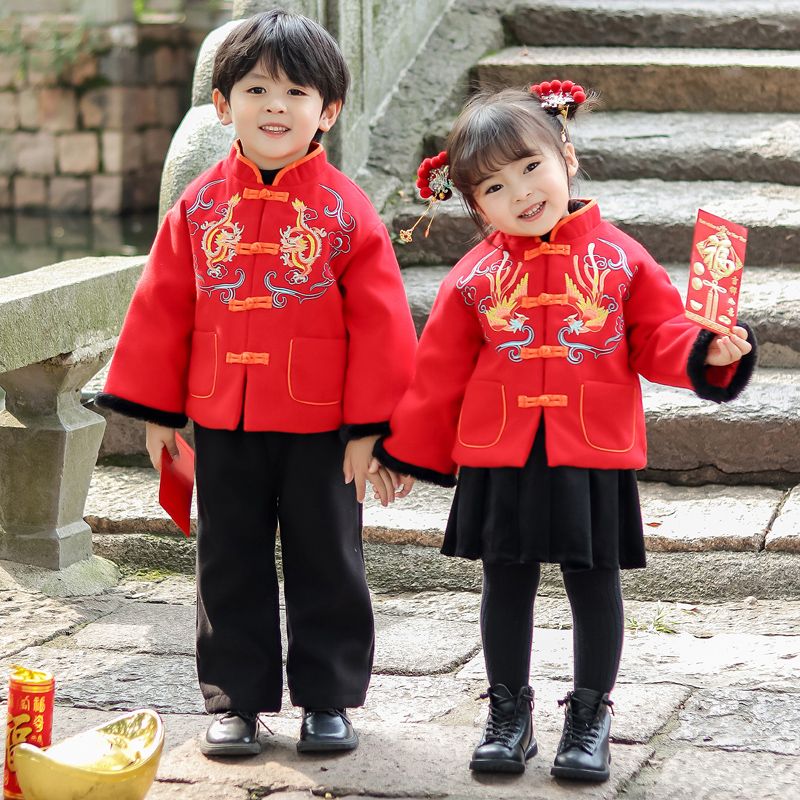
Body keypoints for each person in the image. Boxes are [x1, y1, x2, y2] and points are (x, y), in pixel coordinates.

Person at [374, 80, 755, 782]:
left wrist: (709, 351)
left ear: (566, 156)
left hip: (591, 447)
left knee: (594, 579)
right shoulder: (473, 277)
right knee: (506, 581)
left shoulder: (621, 258)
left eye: (529, 166)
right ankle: (508, 714)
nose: (518, 191)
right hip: (501, 450)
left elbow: (659, 335)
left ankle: (589, 714)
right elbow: (438, 375)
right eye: (491, 187)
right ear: (473, 204)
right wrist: (404, 453)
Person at [96, 9, 417, 758]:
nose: (276, 105)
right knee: (227, 557)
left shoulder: (346, 212)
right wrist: (157, 413)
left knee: (328, 558)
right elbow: (160, 309)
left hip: (323, 426)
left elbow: (382, 327)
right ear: (222, 104)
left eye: (297, 92)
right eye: (257, 88)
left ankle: (328, 699)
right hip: (222, 417)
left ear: (327, 112)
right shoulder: (199, 207)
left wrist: (373, 427)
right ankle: (235, 701)